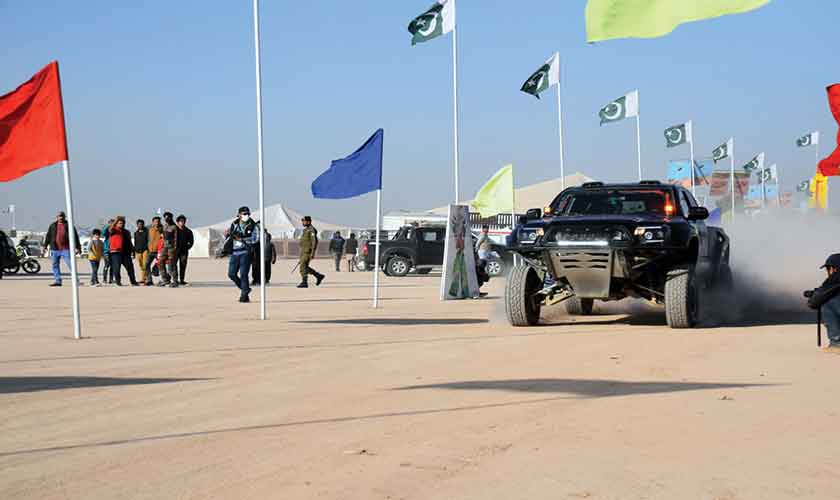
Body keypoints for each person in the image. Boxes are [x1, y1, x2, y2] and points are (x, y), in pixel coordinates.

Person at [806, 253, 840, 350]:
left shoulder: (835, 280)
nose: (828, 272)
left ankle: (836, 344)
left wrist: (814, 295)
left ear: (834, 269)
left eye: (828, 269)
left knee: (826, 302)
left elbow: (815, 302)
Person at [227, 206, 259, 302]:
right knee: (231, 274)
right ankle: (245, 289)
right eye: (244, 214)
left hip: (246, 252)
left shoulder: (253, 225)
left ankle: (244, 295)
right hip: (235, 252)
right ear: (239, 215)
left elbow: (256, 239)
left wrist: (243, 239)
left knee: (244, 274)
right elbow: (231, 236)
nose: (246, 216)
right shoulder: (234, 224)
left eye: (248, 214)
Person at [43, 211, 81, 287]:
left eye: (62, 216)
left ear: (64, 217)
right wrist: (45, 246)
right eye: (59, 216)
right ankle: (58, 280)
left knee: (70, 264)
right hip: (55, 249)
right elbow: (48, 236)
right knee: (55, 265)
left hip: (66, 248)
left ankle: (76, 280)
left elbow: (75, 236)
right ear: (56, 217)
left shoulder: (69, 225)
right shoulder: (53, 225)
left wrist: (78, 247)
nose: (60, 217)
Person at [107, 216, 138, 286]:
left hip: (126, 252)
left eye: (122, 223)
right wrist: (116, 220)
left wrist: (132, 250)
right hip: (116, 252)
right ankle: (118, 282)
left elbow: (129, 242)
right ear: (116, 224)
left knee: (130, 268)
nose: (121, 224)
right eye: (120, 223)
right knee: (116, 268)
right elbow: (110, 228)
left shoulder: (127, 232)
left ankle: (133, 281)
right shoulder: (114, 230)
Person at [297, 216, 324, 288]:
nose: (303, 222)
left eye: (304, 221)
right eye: (302, 221)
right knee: (304, 266)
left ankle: (304, 282)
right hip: (303, 251)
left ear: (309, 222)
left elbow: (314, 241)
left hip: (307, 252)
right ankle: (318, 276)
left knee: (302, 266)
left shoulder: (311, 230)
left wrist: (313, 253)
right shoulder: (305, 230)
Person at [158, 212, 178, 287]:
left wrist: (175, 249)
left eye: (168, 217)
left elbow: (176, 239)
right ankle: (165, 280)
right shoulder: (164, 226)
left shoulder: (174, 227)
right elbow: (162, 237)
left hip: (171, 248)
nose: (167, 219)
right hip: (164, 247)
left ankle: (175, 281)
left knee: (172, 264)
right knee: (160, 262)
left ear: (171, 218)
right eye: (165, 217)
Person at [174, 214, 194, 285]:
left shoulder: (188, 231)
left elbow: (191, 242)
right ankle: (175, 279)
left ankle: (182, 280)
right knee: (173, 265)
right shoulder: (174, 230)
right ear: (177, 222)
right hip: (175, 251)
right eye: (180, 221)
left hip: (184, 251)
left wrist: (187, 247)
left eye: (183, 221)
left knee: (183, 265)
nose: (182, 222)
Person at [145, 216, 162, 286]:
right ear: (153, 222)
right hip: (150, 251)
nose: (156, 223)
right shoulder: (149, 229)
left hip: (159, 251)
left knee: (162, 265)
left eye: (158, 221)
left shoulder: (162, 229)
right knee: (146, 264)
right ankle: (149, 280)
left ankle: (163, 280)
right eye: (155, 221)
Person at [133, 219, 150, 285]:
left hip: (145, 250)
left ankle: (144, 279)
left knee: (144, 264)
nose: (140, 225)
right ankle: (143, 277)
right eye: (139, 224)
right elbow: (135, 242)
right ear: (137, 225)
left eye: (141, 224)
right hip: (137, 251)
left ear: (143, 225)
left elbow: (148, 241)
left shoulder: (146, 232)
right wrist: (134, 251)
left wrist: (148, 249)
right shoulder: (135, 233)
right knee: (140, 265)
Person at [101, 218, 114, 284]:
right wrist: (107, 226)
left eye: (113, 223)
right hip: (106, 251)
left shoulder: (115, 231)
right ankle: (104, 279)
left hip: (113, 250)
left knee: (113, 265)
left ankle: (111, 279)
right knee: (107, 264)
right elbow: (102, 233)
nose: (112, 225)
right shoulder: (107, 232)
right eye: (110, 223)